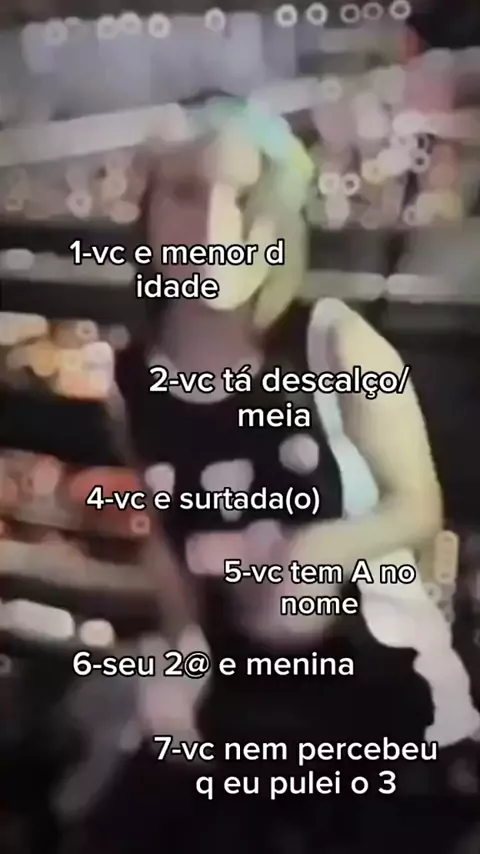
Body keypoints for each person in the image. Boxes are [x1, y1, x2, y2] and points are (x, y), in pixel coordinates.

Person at [79, 97, 479, 854]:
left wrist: (308, 556)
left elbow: (418, 506)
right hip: (244, 701)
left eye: (246, 198)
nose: (214, 227)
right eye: (187, 194)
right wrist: (179, 660)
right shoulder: (134, 380)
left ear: (280, 224)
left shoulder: (334, 342)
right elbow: (169, 548)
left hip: (385, 697)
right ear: (148, 213)